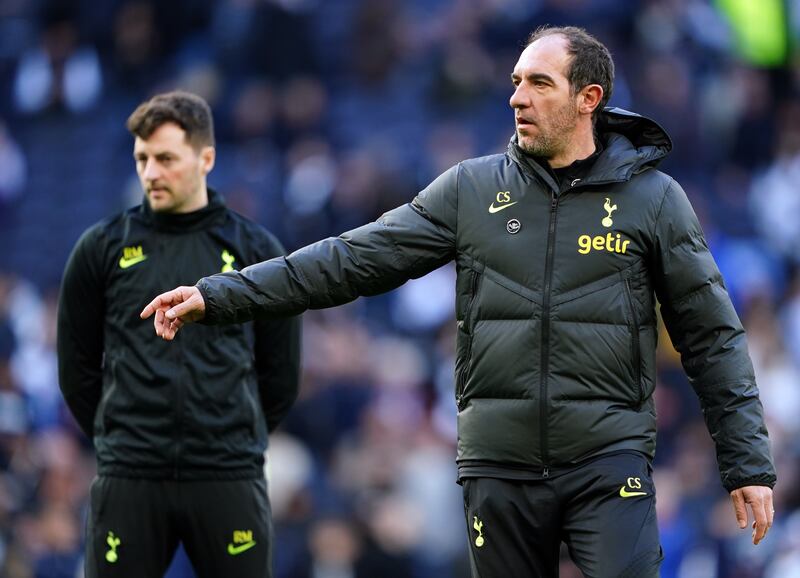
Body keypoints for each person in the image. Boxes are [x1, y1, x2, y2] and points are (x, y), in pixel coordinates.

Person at [142, 28, 776, 577]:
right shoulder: (471, 190)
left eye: (539, 84)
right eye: (516, 81)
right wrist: (216, 294)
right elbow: (350, 259)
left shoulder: (655, 199)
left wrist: (746, 463)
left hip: (607, 463)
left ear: (589, 100)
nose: (517, 97)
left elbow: (711, 335)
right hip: (498, 469)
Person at [57, 91, 301, 578]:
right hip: (130, 475)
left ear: (206, 158)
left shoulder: (257, 249)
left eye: (165, 158)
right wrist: (122, 438)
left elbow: (281, 374)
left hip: (227, 474)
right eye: (141, 159)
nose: (149, 173)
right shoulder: (99, 249)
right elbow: (76, 369)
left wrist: (230, 437)